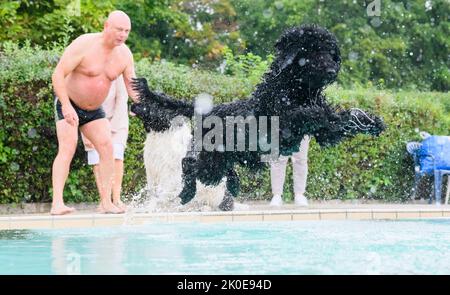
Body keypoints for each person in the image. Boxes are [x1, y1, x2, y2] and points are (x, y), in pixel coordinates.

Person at [50, 10, 139, 215]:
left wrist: (144, 107)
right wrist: (66, 105)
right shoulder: (84, 44)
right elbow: (58, 74)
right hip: (69, 103)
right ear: (107, 26)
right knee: (67, 148)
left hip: (94, 110)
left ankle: (106, 202)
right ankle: (57, 204)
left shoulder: (125, 54)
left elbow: (132, 86)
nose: (123, 34)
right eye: (119, 29)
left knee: (107, 148)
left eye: (127, 31)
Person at [81, 75, 129, 211]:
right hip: (91, 120)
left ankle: (117, 199)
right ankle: (104, 201)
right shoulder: (85, 72)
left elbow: (122, 99)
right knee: (96, 159)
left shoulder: (116, 71)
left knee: (117, 157)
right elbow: (83, 101)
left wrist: (111, 127)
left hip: (117, 121)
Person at [270, 136, 310, 206]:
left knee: (300, 159)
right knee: (278, 159)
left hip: (302, 127)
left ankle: (299, 194)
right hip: (281, 127)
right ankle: (277, 195)